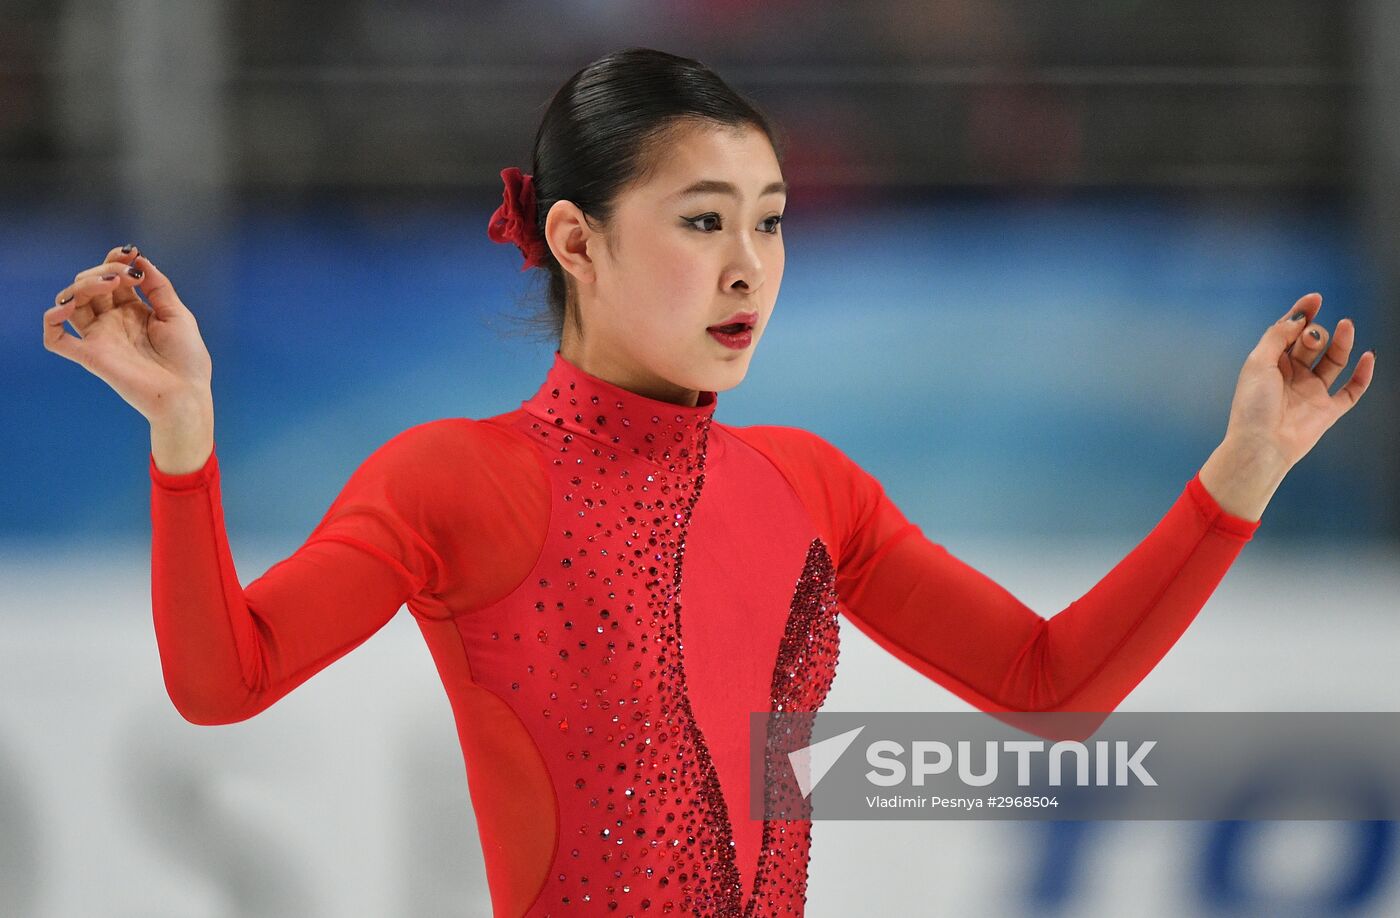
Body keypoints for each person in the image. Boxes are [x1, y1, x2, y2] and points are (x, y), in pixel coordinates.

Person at [42, 46, 1375, 918]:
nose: (749, 265)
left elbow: (1050, 688)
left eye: (770, 218)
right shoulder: (457, 476)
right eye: (701, 219)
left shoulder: (809, 486)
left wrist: (1242, 468)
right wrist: (186, 432)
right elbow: (227, 680)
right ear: (575, 237)